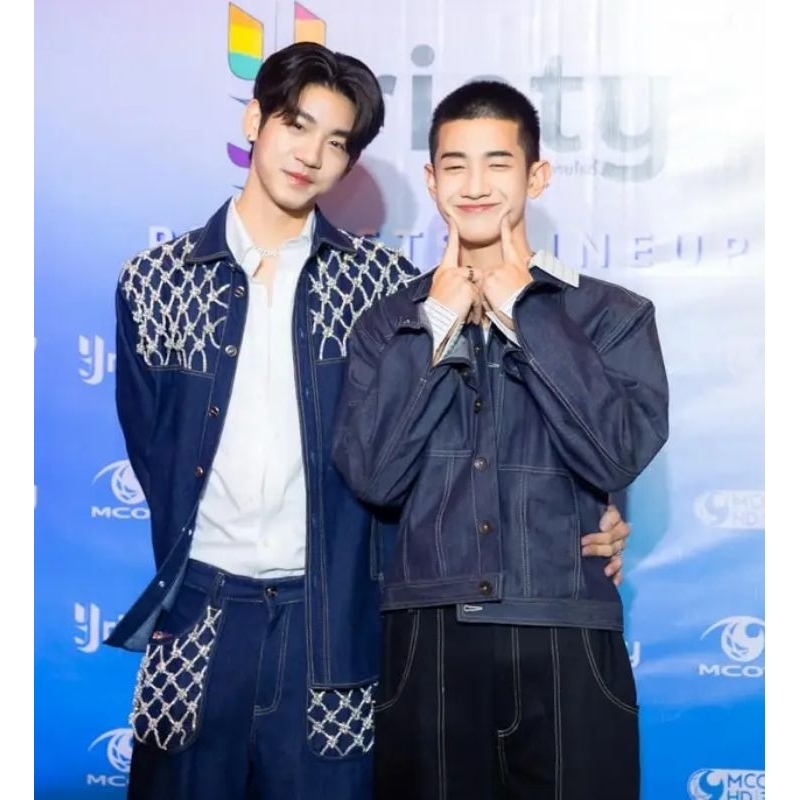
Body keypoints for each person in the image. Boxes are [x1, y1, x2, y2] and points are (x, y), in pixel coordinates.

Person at [108, 42, 633, 800]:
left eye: (337, 142)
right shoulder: (156, 281)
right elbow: (152, 448)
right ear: (254, 120)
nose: (310, 154)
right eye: (297, 125)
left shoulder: (381, 286)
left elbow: (447, 437)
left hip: (334, 623)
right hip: (198, 618)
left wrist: (595, 508)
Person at [333, 79, 669, 800]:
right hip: (429, 638)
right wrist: (435, 324)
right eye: (456, 165)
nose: (476, 185)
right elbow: (374, 475)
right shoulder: (386, 325)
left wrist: (524, 308)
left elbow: (614, 452)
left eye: (498, 163)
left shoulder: (613, 317)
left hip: (566, 630)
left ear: (535, 176)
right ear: (432, 181)